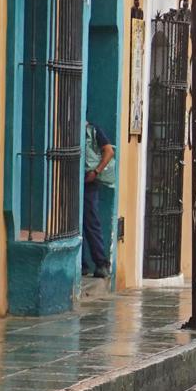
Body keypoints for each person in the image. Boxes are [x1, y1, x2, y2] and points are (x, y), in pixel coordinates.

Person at [82, 119, 116, 277]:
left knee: (90, 222)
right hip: (74, 180)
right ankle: (82, 264)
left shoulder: (93, 130)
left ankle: (101, 263)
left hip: (89, 181)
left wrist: (95, 172)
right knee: (72, 224)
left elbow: (109, 151)